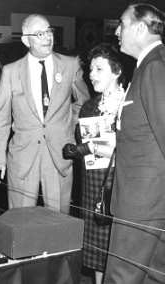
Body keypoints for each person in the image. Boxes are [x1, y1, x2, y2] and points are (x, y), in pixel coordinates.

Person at [0, 14, 90, 213]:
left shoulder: (70, 65)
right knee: (20, 220)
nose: (47, 37)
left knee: (59, 220)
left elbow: (84, 102)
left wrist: (68, 124)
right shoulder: (11, 72)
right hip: (23, 157)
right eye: (39, 33)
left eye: (49, 31)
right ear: (26, 40)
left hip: (59, 154)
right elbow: (0, 120)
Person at [105, 3, 165, 283]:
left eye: (123, 24)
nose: (117, 31)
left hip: (141, 205)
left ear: (141, 28)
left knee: (122, 277)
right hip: (150, 202)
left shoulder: (154, 67)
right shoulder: (151, 65)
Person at [63, 43, 127, 284]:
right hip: (93, 187)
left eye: (99, 69)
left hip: (119, 186)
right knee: (98, 252)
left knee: (119, 250)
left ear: (117, 71)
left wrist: (86, 148)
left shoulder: (128, 105)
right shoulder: (88, 107)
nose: (91, 75)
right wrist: (75, 150)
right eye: (90, 70)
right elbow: (89, 150)